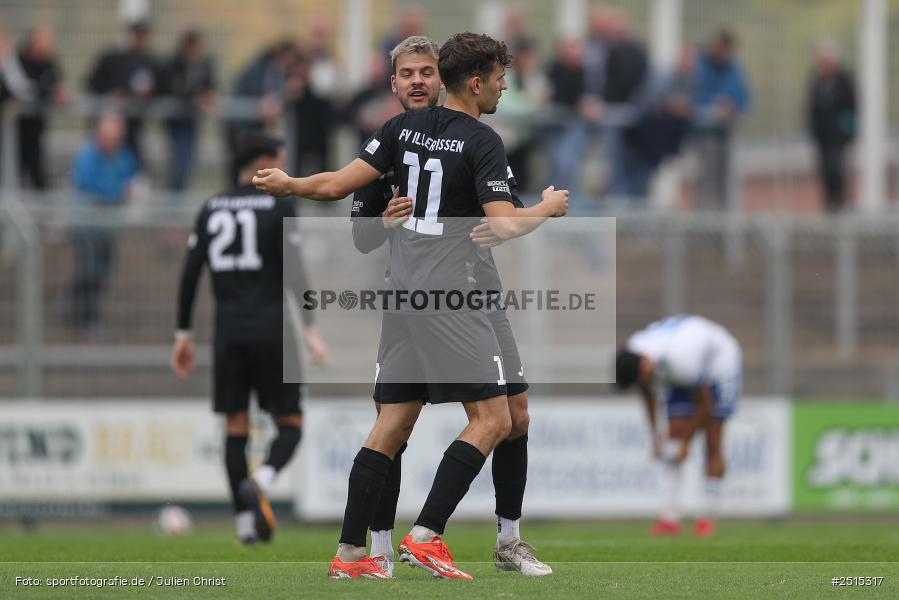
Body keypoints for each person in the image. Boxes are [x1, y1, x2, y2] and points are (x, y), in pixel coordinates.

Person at [253, 32, 568, 580]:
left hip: (411, 296)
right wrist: (545, 208)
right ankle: (423, 536)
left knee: (403, 420)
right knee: (491, 418)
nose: (504, 86)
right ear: (473, 82)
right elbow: (503, 220)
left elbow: (332, 185)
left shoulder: (399, 133)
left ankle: (353, 554)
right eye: (498, 79)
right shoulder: (479, 138)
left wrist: (290, 184)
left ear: (438, 77)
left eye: (426, 71)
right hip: (452, 294)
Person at [350, 35, 553, 578]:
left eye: (426, 71)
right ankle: (385, 545)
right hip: (422, 297)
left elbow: (494, 219)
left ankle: (508, 539)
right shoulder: (390, 143)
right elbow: (362, 238)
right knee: (401, 421)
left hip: (477, 292)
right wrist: (384, 223)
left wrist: (493, 225)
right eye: (407, 73)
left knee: (516, 414)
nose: (418, 80)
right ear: (393, 83)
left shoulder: (465, 137)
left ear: (441, 79)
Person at [171, 131, 329, 545]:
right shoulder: (278, 203)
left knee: (235, 427)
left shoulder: (211, 207)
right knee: (290, 423)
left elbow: (189, 275)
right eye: (280, 160)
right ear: (264, 162)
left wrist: (183, 334)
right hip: (271, 329)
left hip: (228, 332)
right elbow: (295, 269)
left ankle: (244, 525)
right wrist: (310, 329)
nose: (285, 169)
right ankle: (262, 479)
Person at [615, 314, 742, 537]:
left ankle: (707, 517)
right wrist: (657, 438)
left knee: (713, 440)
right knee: (672, 440)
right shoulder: (636, 352)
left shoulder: (681, 360)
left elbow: (705, 404)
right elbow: (647, 393)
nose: (645, 381)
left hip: (719, 362)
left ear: (645, 363)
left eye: (644, 376)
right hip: (682, 367)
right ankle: (669, 517)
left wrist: (686, 441)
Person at [67, 112, 139, 332]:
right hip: (86, 227)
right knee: (90, 269)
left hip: (108, 227)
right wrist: (119, 193)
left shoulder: (123, 156)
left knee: (101, 270)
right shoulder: (86, 156)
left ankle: (72, 303)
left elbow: (131, 179)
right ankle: (84, 317)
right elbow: (88, 186)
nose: (113, 143)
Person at [0, 26, 68, 189]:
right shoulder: (14, 61)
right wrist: (47, 92)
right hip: (10, 131)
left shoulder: (48, 62)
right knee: (10, 174)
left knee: (37, 175)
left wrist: (57, 92)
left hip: (34, 130)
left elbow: (57, 84)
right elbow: (21, 90)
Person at [692, 30, 750, 210]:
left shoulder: (734, 69)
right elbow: (693, 96)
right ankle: (703, 217)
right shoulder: (699, 67)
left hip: (727, 131)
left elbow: (743, 96)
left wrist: (732, 106)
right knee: (706, 175)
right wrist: (713, 106)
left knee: (726, 177)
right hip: (704, 132)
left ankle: (724, 216)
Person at [86, 19, 158, 164]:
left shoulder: (148, 60)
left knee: (131, 161)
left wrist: (147, 94)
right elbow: (93, 81)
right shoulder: (112, 56)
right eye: (137, 34)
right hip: (109, 120)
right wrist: (112, 93)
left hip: (133, 124)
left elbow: (158, 85)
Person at [161, 29, 215, 191]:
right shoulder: (174, 63)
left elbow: (209, 85)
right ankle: (175, 195)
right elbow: (173, 88)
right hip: (177, 120)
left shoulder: (203, 64)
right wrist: (196, 98)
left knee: (189, 160)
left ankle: (179, 192)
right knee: (179, 161)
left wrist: (208, 96)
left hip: (192, 119)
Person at [807, 40, 856, 213]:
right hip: (822, 134)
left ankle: (839, 201)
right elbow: (811, 107)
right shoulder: (817, 81)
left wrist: (848, 129)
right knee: (824, 169)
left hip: (838, 134)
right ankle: (829, 203)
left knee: (835, 166)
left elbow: (851, 106)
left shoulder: (844, 81)